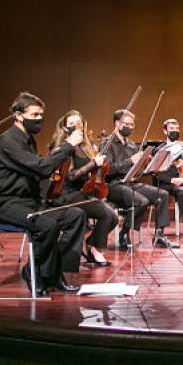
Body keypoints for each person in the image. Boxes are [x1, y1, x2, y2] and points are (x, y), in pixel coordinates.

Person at [0, 92, 86, 295]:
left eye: (41, 114)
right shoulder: (8, 141)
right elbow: (41, 168)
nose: (39, 119)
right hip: (7, 202)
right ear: (18, 115)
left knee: (76, 215)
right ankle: (32, 272)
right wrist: (68, 145)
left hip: (30, 201)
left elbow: (38, 171)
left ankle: (55, 273)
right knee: (46, 225)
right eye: (34, 115)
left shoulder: (28, 139)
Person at [46, 110, 118, 267]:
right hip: (66, 195)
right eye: (71, 124)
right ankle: (96, 250)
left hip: (81, 192)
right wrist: (93, 163)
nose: (76, 127)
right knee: (107, 215)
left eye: (78, 123)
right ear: (65, 128)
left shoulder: (84, 146)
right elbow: (71, 176)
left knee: (113, 217)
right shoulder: (63, 147)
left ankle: (90, 244)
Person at [101, 109, 177, 249]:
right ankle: (124, 234)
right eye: (127, 124)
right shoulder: (107, 144)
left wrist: (146, 164)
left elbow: (137, 171)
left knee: (162, 194)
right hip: (114, 185)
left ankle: (159, 236)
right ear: (117, 123)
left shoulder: (131, 145)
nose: (130, 128)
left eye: (132, 125)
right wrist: (130, 161)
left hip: (131, 183)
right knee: (141, 201)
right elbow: (109, 170)